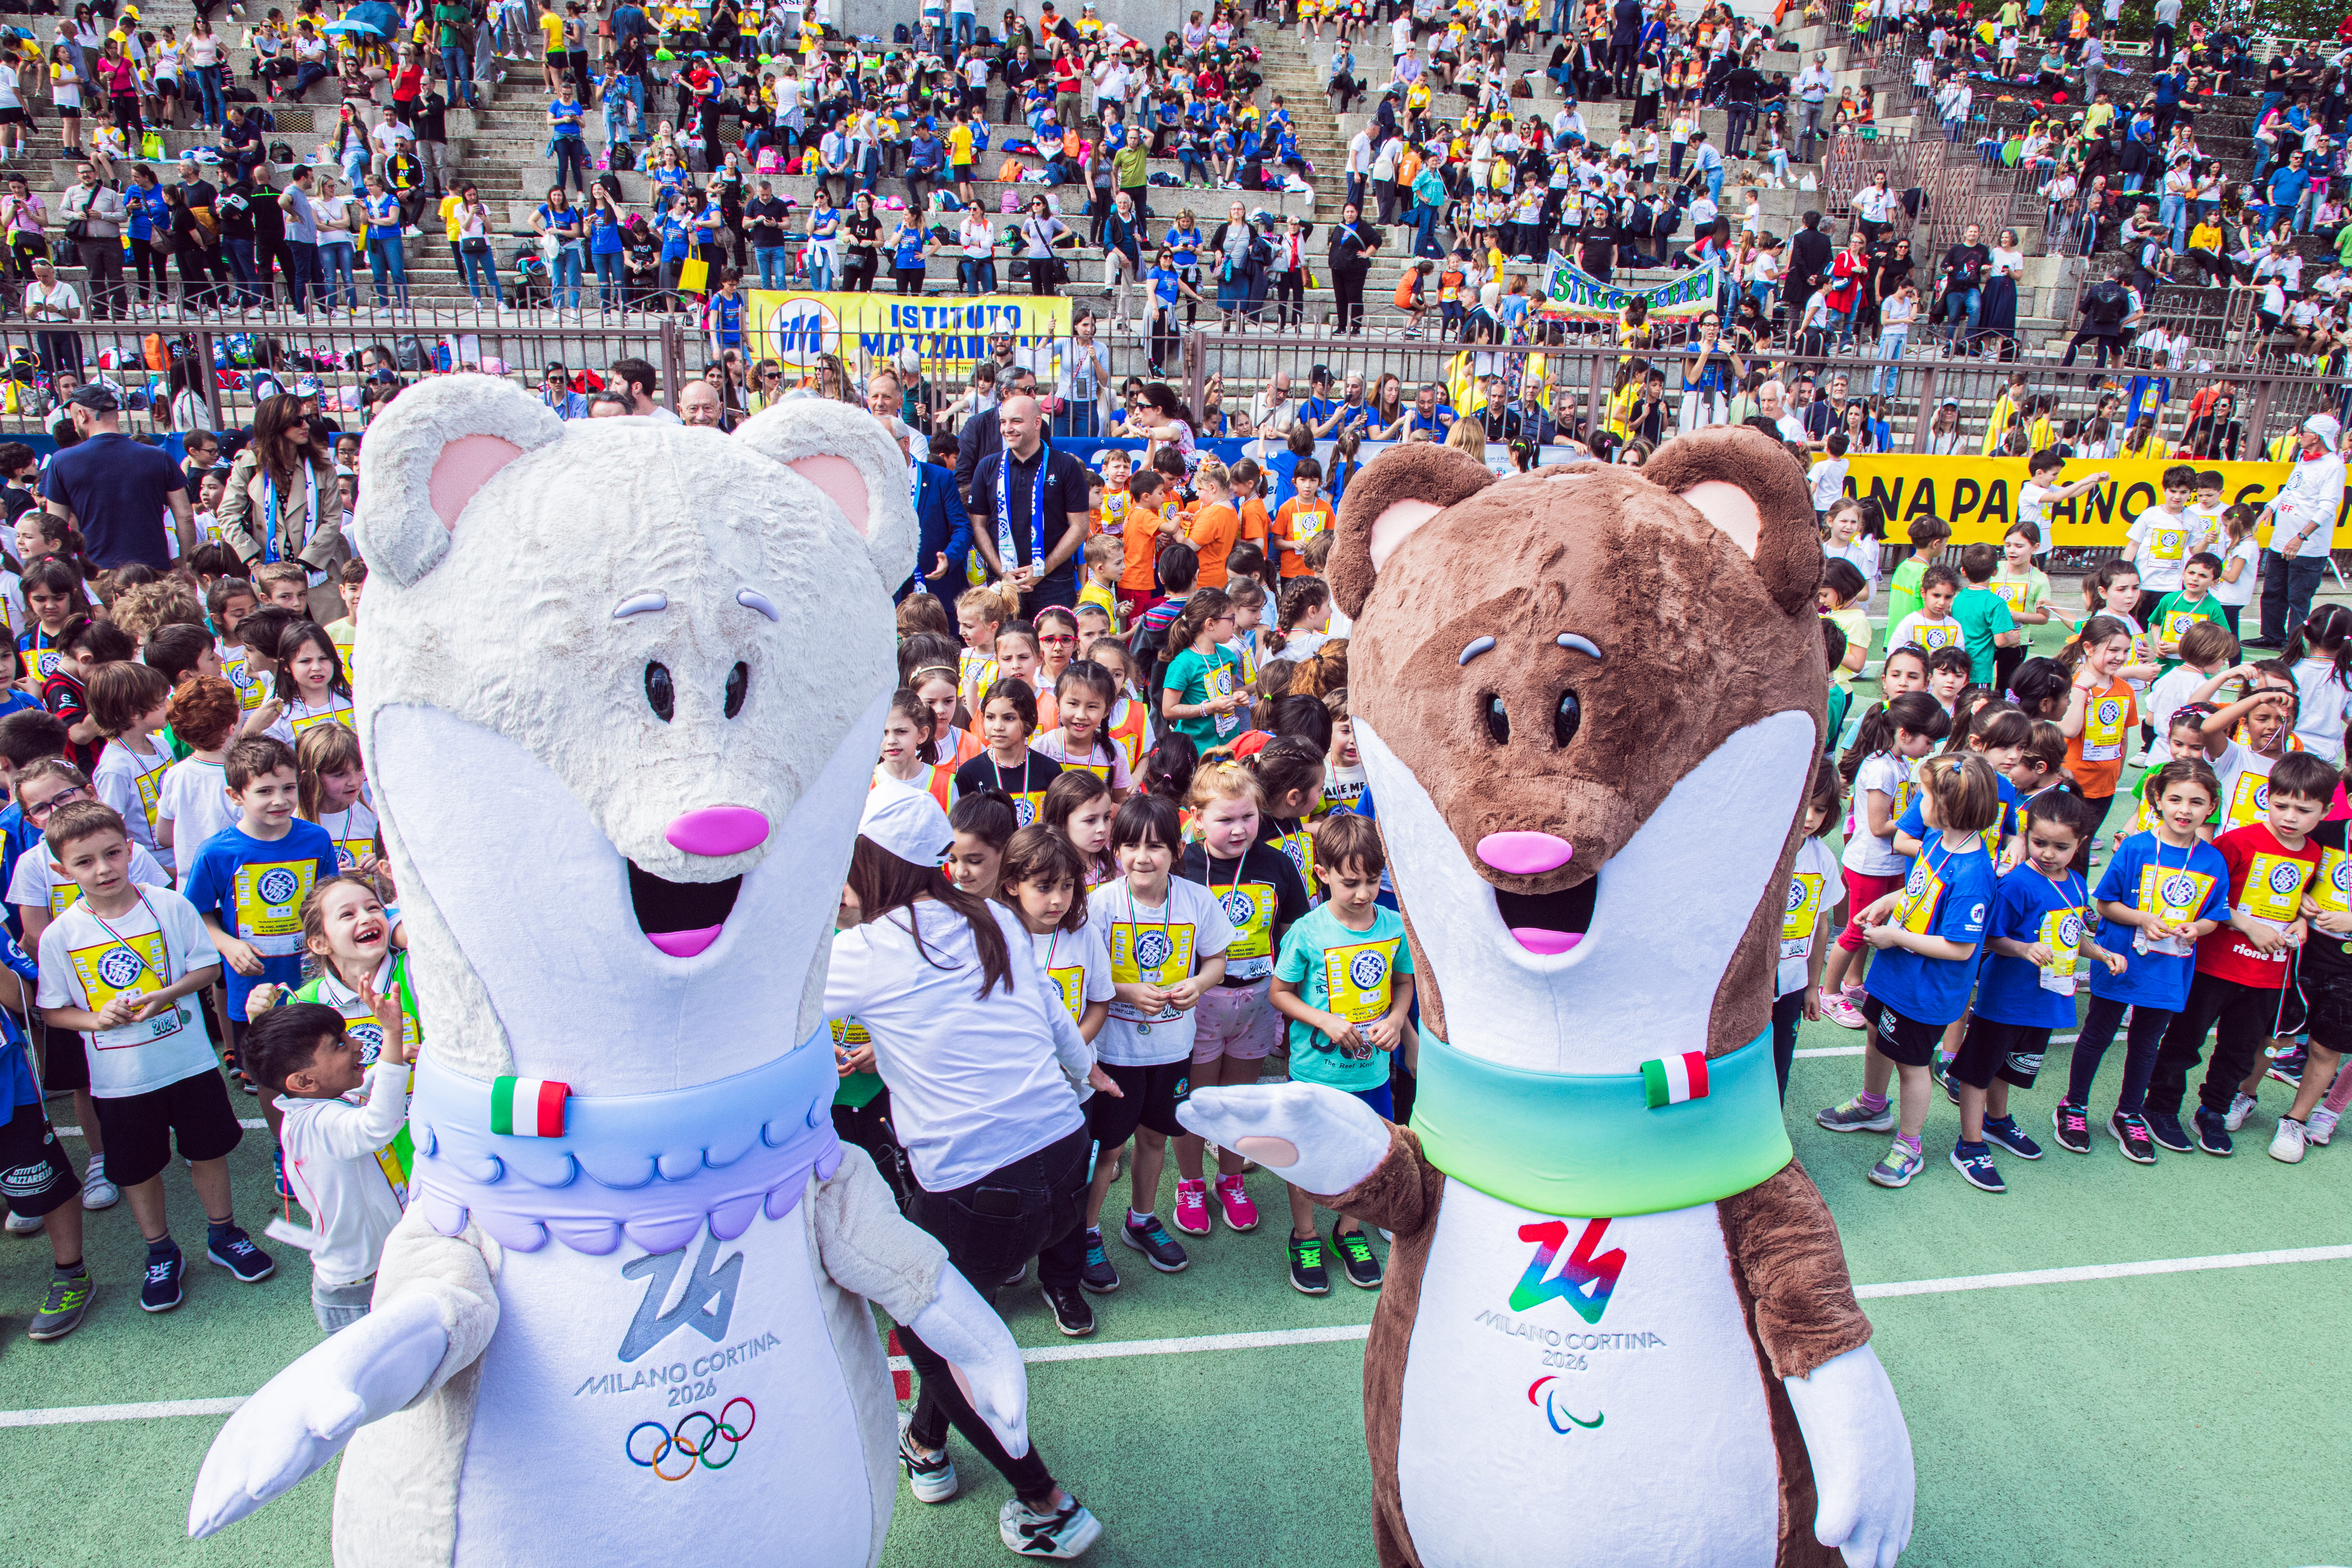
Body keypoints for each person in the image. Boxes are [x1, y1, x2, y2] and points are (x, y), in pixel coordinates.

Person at [823, 782, 1108, 1557]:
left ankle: (1047, 1501)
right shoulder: (990, 917)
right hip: (1062, 1158)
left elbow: (760, 1003)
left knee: (930, 1337)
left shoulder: (866, 949)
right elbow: (1055, 1020)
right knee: (965, 1310)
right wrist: (1085, 1079)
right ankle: (927, 1441)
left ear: (873, 863)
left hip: (979, 1182)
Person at [33, 798, 271, 1311]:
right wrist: (96, 1019)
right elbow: (53, 1012)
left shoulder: (169, 906)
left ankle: (224, 1234)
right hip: (121, 1079)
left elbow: (208, 970)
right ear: (60, 869)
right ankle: (160, 1250)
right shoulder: (59, 938)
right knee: (139, 1169)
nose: (103, 870)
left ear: (130, 849)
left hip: (188, 1063)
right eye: (85, 862)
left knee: (207, 1151)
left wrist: (163, 996)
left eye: (113, 854)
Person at [1816, 754, 2001, 1189]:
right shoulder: (1940, 842)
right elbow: (1921, 886)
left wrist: (1896, 938)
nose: (1917, 800)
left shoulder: (1974, 872)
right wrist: (1892, 900)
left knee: (1912, 1066)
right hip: (1895, 977)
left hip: (1925, 992)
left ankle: (1910, 1145)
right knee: (1877, 1037)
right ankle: (1873, 1104)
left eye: (1925, 795)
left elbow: (1960, 948)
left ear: (1948, 807)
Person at [2145, 752, 2335, 1156]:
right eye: (2281, 804)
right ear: (2267, 797)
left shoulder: (2315, 853)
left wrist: (2301, 919)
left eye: (2303, 810)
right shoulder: (2237, 842)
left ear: (2325, 810)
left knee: (2239, 1049)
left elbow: (2296, 897)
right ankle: (2160, 1106)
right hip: (2217, 965)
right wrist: (2249, 925)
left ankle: (2213, 1110)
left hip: (2269, 975)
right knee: (2185, 1039)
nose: (2290, 816)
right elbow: (2209, 899)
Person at [1081, 791, 1234, 1287]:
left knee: (1154, 1139)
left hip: (1172, 1048)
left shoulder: (1197, 900)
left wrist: (1199, 984)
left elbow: (1216, 960)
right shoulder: (1100, 904)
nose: (1142, 857)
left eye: (1155, 847)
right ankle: (1086, 1234)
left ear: (1176, 849)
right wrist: (1126, 989)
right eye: (1130, 846)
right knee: (1108, 1148)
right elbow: (1083, 973)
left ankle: (1141, 1220)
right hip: (1116, 1050)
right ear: (1116, 850)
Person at [1947, 790, 2120, 1193]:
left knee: (2012, 1066)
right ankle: (1969, 1144)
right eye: (2040, 842)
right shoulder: (2016, 885)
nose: (2048, 853)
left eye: (2061, 846)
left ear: (2080, 844)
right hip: (2006, 998)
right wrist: (2023, 948)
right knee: (1979, 1070)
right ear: (2026, 836)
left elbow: (2071, 935)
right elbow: (1989, 938)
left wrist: (2101, 953)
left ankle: (1997, 1121)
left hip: (2047, 999)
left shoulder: (2077, 884)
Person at [1171, 761, 1307, 1239]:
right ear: (1196, 817)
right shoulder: (1182, 863)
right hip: (1199, 1004)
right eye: (1225, 819)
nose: (1238, 828)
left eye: (1247, 817)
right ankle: (1190, 1183)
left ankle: (1230, 1178)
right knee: (1197, 1100)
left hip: (1257, 1004)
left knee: (1237, 1100)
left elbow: (1291, 933)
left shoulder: (1276, 863)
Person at [241, 983, 412, 1332]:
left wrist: (395, 1060)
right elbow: (379, 1124)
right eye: (340, 1044)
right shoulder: (316, 1124)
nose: (358, 1044)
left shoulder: (317, 1104)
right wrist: (392, 1037)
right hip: (359, 1289)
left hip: (379, 1269)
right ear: (304, 1081)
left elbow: (361, 1091)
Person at [40, 386, 199, 568]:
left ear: (82, 415)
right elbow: (185, 516)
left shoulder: (62, 461)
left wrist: (64, 573)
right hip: (154, 570)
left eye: (74, 418)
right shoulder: (159, 456)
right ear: (116, 414)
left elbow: (57, 525)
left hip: (98, 572)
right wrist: (187, 569)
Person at [965, 393, 1091, 614]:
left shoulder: (1066, 465)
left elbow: (1079, 527)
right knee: (1007, 647)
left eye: (1016, 421)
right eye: (1003, 422)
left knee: (1054, 648)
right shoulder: (987, 466)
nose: (1007, 429)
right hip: (1005, 583)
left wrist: (1043, 569)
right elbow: (978, 526)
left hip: (1053, 582)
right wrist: (1002, 570)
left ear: (1037, 423)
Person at [2248, 413, 2346, 650]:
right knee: (2273, 591)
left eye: (2305, 432)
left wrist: (2301, 537)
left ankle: (2293, 644)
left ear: (2317, 437)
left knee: (2298, 598)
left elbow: (2327, 509)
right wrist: (2269, 508)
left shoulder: (2334, 467)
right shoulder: (2305, 458)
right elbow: (2290, 490)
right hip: (2281, 540)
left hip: (2308, 548)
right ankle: (2272, 636)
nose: (2300, 436)